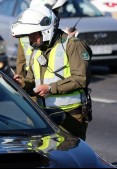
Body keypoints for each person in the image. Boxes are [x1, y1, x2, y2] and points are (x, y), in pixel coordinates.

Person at [11, 5, 92, 141]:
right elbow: (32, 80)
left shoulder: (73, 45)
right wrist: (23, 83)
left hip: (71, 116)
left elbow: (81, 78)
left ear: (46, 30)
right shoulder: (36, 50)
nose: (30, 39)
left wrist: (50, 88)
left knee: (70, 157)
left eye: (33, 34)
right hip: (44, 116)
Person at [16, 0, 76, 78]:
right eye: (54, 11)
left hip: (43, 78)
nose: (56, 15)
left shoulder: (53, 36)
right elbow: (21, 61)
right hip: (32, 76)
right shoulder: (40, 35)